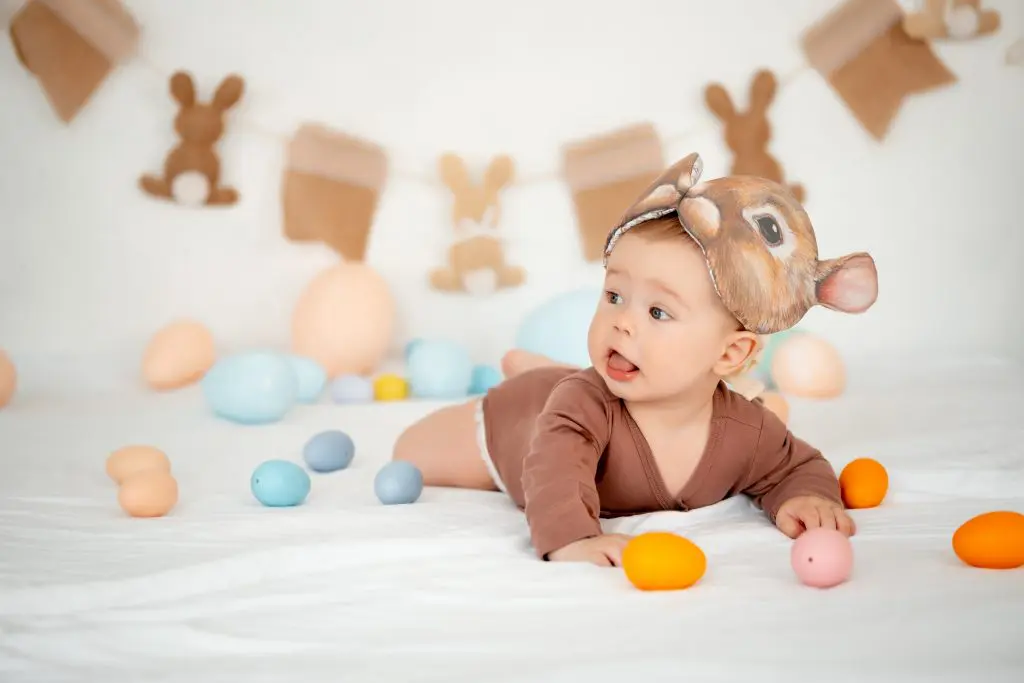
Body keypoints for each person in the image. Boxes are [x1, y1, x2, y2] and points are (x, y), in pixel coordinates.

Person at [392, 152, 879, 566]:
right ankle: (537, 375)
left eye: (658, 311)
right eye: (614, 296)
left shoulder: (745, 432)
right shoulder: (580, 408)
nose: (622, 322)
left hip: (563, 392)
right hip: (516, 424)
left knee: (565, 386)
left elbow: (795, 465)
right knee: (411, 450)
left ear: (732, 353)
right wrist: (574, 538)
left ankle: (543, 368)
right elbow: (553, 476)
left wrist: (806, 497)